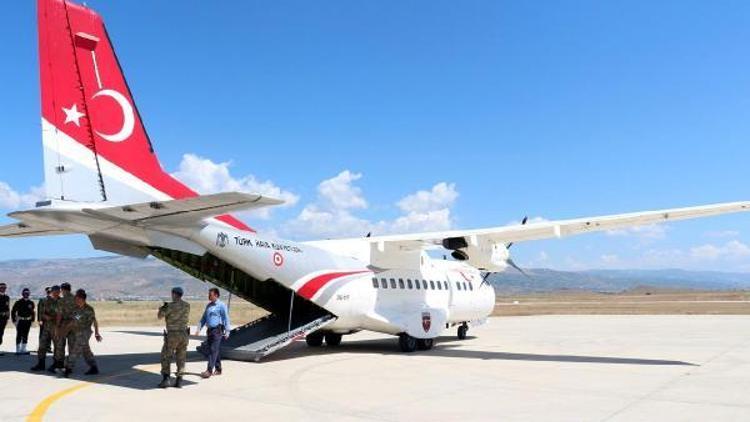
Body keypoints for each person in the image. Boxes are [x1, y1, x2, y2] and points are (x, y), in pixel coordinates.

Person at [63, 289, 101, 377]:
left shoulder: (89, 309)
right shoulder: (75, 309)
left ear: (81, 299)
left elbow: (94, 321)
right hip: (75, 332)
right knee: (86, 350)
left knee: (75, 350)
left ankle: (68, 368)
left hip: (85, 332)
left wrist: (96, 333)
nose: (75, 300)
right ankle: (93, 367)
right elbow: (72, 321)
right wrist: (65, 331)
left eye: (76, 298)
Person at [158, 287, 190, 388]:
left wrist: (163, 308)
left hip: (172, 335)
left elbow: (160, 316)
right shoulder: (187, 305)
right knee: (181, 357)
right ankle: (179, 380)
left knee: (166, 356)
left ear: (174, 294)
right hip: (184, 334)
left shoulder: (169, 306)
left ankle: (166, 379)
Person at [196, 287, 230, 379]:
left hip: (217, 330)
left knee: (213, 350)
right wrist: (198, 329)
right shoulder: (209, 306)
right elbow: (203, 318)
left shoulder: (221, 305)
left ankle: (209, 370)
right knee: (215, 350)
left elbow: (226, 318)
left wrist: (227, 331)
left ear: (216, 295)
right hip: (210, 331)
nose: (209, 296)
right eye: (208, 294)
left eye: (210, 295)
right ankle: (218, 369)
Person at [31, 285, 60, 372]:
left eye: (59, 292)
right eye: (56, 291)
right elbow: (41, 312)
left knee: (57, 347)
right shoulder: (45, 300)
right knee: (42, 345)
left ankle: (56, 364)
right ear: (52, 291)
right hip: (47, 326)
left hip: (57, 327)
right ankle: (41, 364)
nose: (57, 293)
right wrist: (44, 318)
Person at [54, 282, 75, 371]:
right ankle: (70, 366)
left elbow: (59, 314)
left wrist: (57, 325)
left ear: (63, 290)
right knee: (72, 346)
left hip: (64, 324)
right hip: (74, 325)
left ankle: (60, 365)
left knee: (60, 345)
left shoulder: (61, 301)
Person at [11, 288, 35, 355]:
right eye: (25, 293)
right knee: (19, 334)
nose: (26, 294)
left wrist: (32, 320)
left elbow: (33, 312)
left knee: (26, 334)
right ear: (22, 294)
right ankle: (18, 349)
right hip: (20, 321)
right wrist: (14, 320)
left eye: (27, 293)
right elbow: (13, 311)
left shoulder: (31, 303)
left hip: (28, 321)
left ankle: (23, 349)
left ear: (29, 294)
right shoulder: (18, 302)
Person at [37, 287, 52, 354]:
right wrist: (39, 320)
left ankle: (48, 348)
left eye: (50, 292)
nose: (49, 293)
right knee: (42, 334)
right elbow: (39, 310)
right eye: (48, 292)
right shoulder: (42, 300)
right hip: (44, 320)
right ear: (46, 292)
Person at [0, 283, 9, 356]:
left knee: (1, 333)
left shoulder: (7, 297)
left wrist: (7, 317)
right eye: (1, 287)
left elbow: (7, 308)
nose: (3, 289)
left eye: (4, 288)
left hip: (3, 318)